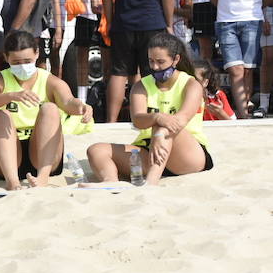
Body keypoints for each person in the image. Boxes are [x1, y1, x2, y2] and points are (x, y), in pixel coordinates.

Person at [86, 33, 212, 185]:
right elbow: (138, 120)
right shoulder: (142, 85)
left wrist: (159, 126)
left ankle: (151, 183)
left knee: (162, 124)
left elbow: (181, 119)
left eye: (160, 62)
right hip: (150, 150)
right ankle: (111, 182)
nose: (154, 67)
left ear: (176, 60)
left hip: (187, 154)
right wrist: (156, 118)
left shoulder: (191, 84)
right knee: (95, 150)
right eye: (151, 61)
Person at [0, 30, 93, 190]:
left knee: (50, 109)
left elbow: (68, 101)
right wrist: (11, 95)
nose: (23, 66)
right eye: (16, 62)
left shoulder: (49, 80)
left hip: (42, 153)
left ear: (37, 53)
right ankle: (13, 182)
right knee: (2, 114)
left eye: (27, 61)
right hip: (5, 155)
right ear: (6, 58)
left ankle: (42, 178)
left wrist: (82, 107)